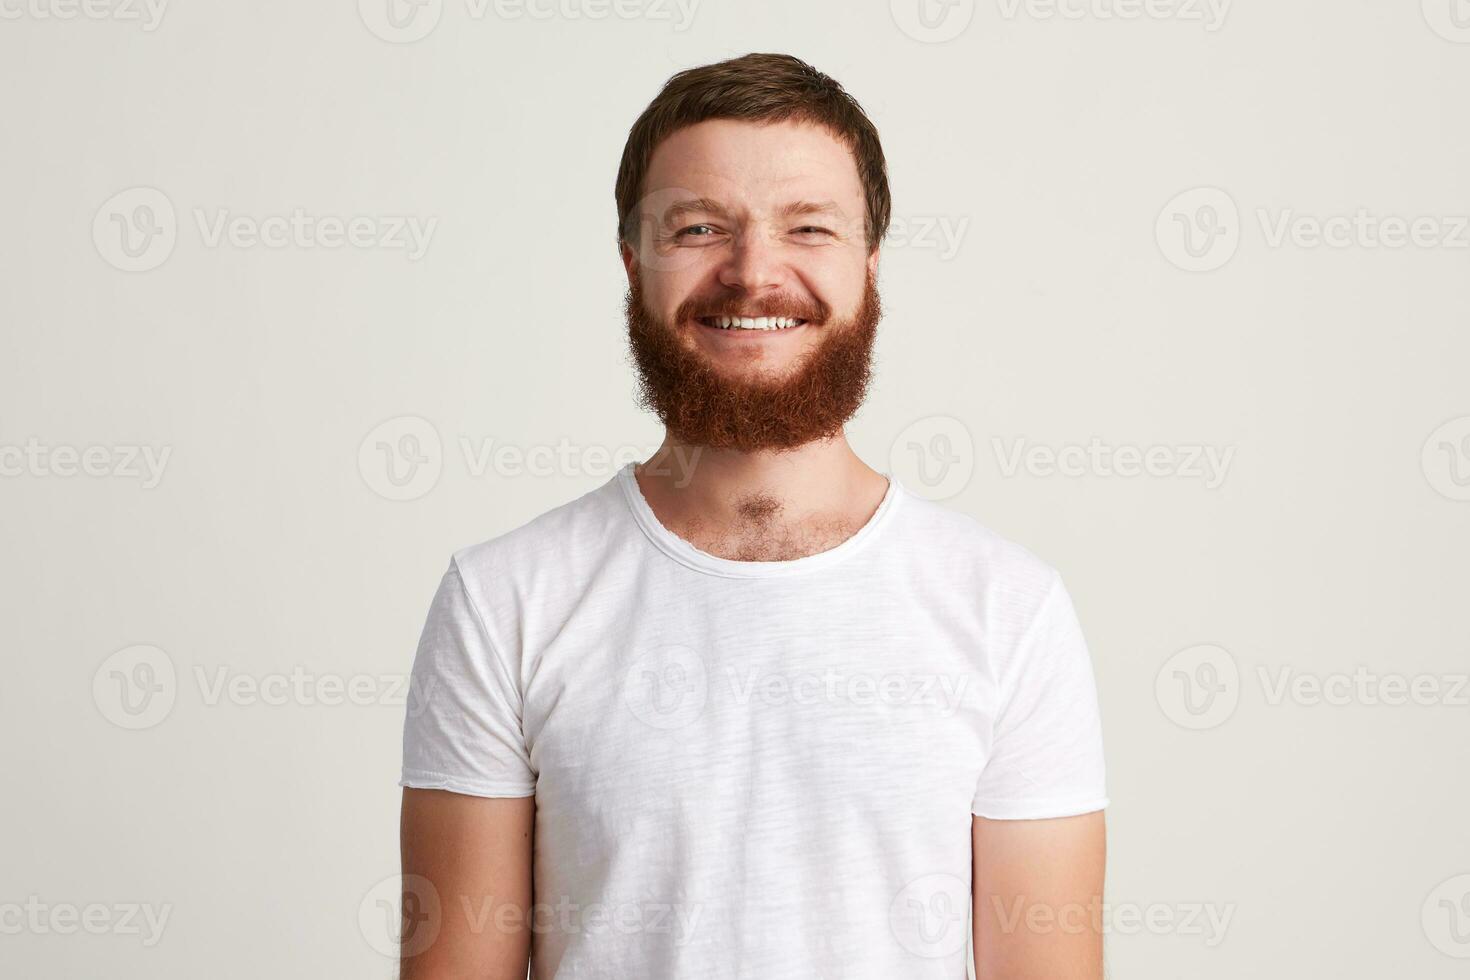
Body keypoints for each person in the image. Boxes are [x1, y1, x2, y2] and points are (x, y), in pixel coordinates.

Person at [398, 51, 1108, 980]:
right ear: (632, 262)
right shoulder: (503, 601)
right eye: (698, 227)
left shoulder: (1008, 608)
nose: (753, 273)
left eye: (808, 226)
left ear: (870, 264)